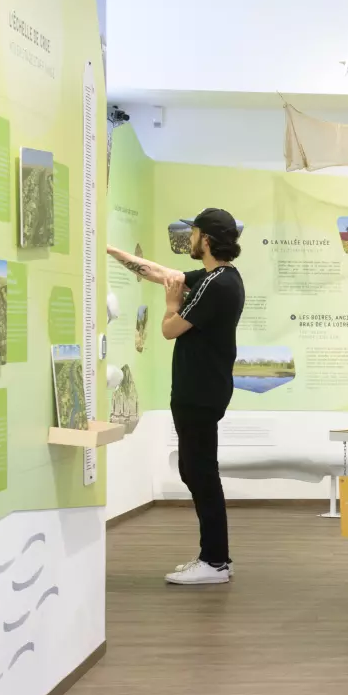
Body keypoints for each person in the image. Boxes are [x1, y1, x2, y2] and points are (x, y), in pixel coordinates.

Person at [107, 208, 246, 586]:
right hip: (201, 389)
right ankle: (214, 557)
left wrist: (171, 306)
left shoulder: (217, 285)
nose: (190, 239)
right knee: (196, 470)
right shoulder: (220, 277)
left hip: (199, 392)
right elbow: (163, 274)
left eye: (194, 232)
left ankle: (215, 562)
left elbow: (170, 329)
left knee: (199, 473)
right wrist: (112, 252)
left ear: (207, 239)